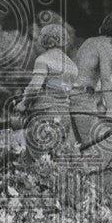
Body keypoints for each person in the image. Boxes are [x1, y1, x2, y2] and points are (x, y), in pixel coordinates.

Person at [14, 23, 78, 159]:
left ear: (44, 39)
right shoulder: (72, 65)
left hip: (44, 113)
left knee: (34, 158)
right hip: (64, 116)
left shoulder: (43, 60)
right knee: (55, 158)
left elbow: (35, 87)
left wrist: (23, 104)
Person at [70, 13, 112, 154]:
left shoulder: (89, 41)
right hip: (83, 96)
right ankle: (86, 174)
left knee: (80, 145)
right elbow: (105, 79)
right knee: (87, 146)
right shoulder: (106, 47)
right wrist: (111, 109)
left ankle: (78, 174)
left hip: (70, 94)